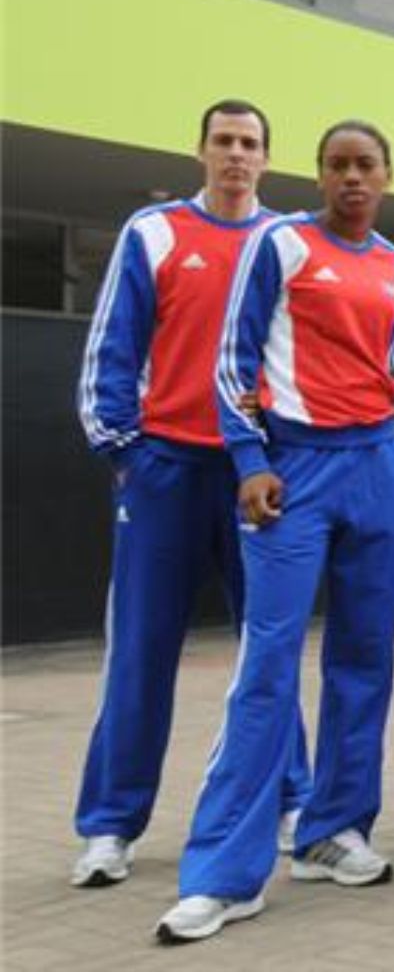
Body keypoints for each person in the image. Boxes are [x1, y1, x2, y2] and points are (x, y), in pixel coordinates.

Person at [157, 120, 394, 943]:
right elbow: (232, 364)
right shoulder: (278, 246)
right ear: (318, 175)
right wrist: (249, 461)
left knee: (365, 660)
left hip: (378, 464)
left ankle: (333, 831)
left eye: (365, 166)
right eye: (337, 165)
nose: (351, 178)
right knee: (267, 665)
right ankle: (223, 874)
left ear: (385, 176)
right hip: (294, 471)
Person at [72, 99, 310, 888]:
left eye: (250, 145)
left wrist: (279, 457)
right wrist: (123, 447)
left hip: (255, 476)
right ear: (201, 150)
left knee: (268, 647)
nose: (237, 155)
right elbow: (114, 346)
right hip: (166, 467)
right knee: (140, 649)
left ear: (267, 159)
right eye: (225, 142)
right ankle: (110, 826)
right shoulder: (157, 232)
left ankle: (288, 802)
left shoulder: (287, 242)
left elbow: (297, 357)